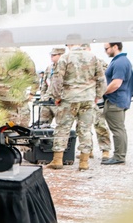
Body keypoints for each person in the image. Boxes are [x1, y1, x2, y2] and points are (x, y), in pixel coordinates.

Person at [48, 39, 106, 170]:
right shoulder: (93, 57)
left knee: (63, 128)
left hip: (69, 98)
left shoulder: (65, 57)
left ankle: (57, 160)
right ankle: (84, 162)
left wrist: (56, 96)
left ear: (69, 44)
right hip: (88, 98)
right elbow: (101, 79)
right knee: (85, 129)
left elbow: (57, 79)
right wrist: (98, 95)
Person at [0, 31, 37, 126]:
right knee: (16, 132)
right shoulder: (21, 54)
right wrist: (32, 93)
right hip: (13, 101)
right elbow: (33, 76)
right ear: (12, 40)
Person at [102, 41, 132, 165]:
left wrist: (102, 93)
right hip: (120, 98)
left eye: (106, 48)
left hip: (115, 100)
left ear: (115, 47)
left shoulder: (120, 62)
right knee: (120, 129)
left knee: (117, 129)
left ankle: (119, 156)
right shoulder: (121, 60)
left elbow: (116, 83)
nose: (105, 51)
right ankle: (120, 155)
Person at [36, 47, 66, 127]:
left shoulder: (66, 67)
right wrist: (43, 96)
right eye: (51, 55)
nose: (51, 57)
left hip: (60, 101)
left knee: (62, 125)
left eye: (54, 55)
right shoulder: (49, 68)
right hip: (47, 100)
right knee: (42, 124)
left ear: (61, 55)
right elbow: (44, 84)